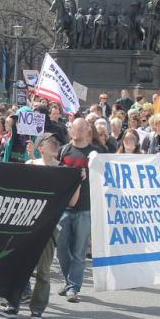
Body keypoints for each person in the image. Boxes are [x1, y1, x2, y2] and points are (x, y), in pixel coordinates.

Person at [0, 133, 80, 319]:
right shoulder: (31, 166)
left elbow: (73, 202)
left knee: (43, 270)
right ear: (40, 147)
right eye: (50, 142)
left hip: (50, 227)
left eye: (57, 142)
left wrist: (77, 182)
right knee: (19, 266)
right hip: (27, 225)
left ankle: (37, 307)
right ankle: (13, 304)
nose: (55, 144)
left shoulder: (65, 171)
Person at [57, 118, 95, 303]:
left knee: (79, 251)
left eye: (81, 129)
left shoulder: (95, 153)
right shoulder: (64, 150)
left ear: (87, 130)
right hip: (64, 207)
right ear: (71, 130)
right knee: (62, 249)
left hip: (85, 208)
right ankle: (68, 281)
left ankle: (73, 287)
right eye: (75, 129)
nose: (77, 132)